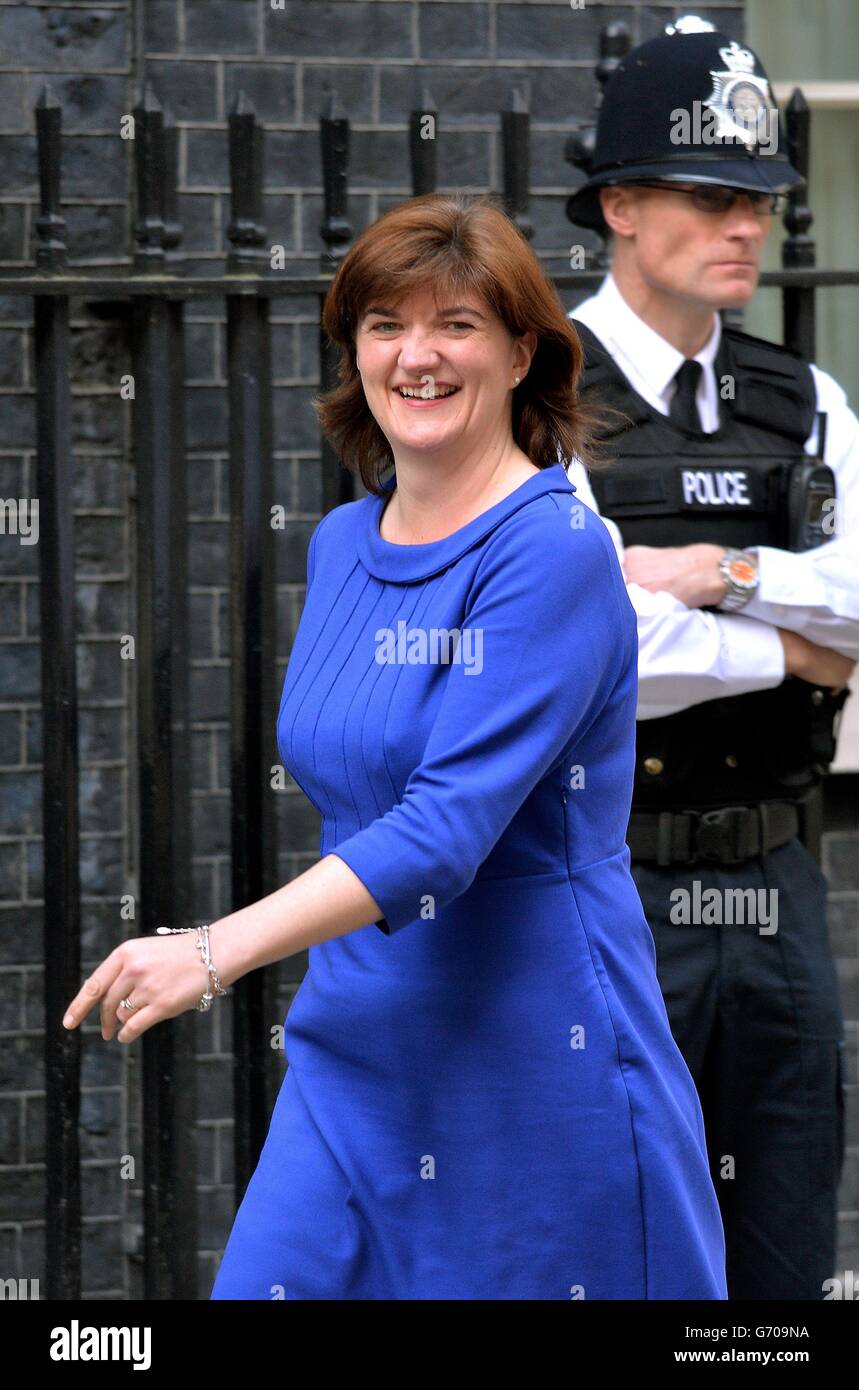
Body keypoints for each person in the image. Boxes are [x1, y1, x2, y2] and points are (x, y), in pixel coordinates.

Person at [63, 192, 727, 1300]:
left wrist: (211, 950)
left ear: (522, 352)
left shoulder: (550, 550)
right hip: (357, 1052)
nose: (417, 355)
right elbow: (358, 796)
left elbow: (440, 831)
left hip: (530, 1066)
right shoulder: (340, 543)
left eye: (456, 324)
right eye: (385, 324)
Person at [565, 16, 859, 1301]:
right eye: (708, 194)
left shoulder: (801, 399)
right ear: (620, 206)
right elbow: (587, 647)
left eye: (760, 198)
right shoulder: (536, 390)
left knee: (782, 1265)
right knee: (614, 1249)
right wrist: (796, 643)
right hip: (600, 884)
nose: (744, 223)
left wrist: (716, 574)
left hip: (781, 880)